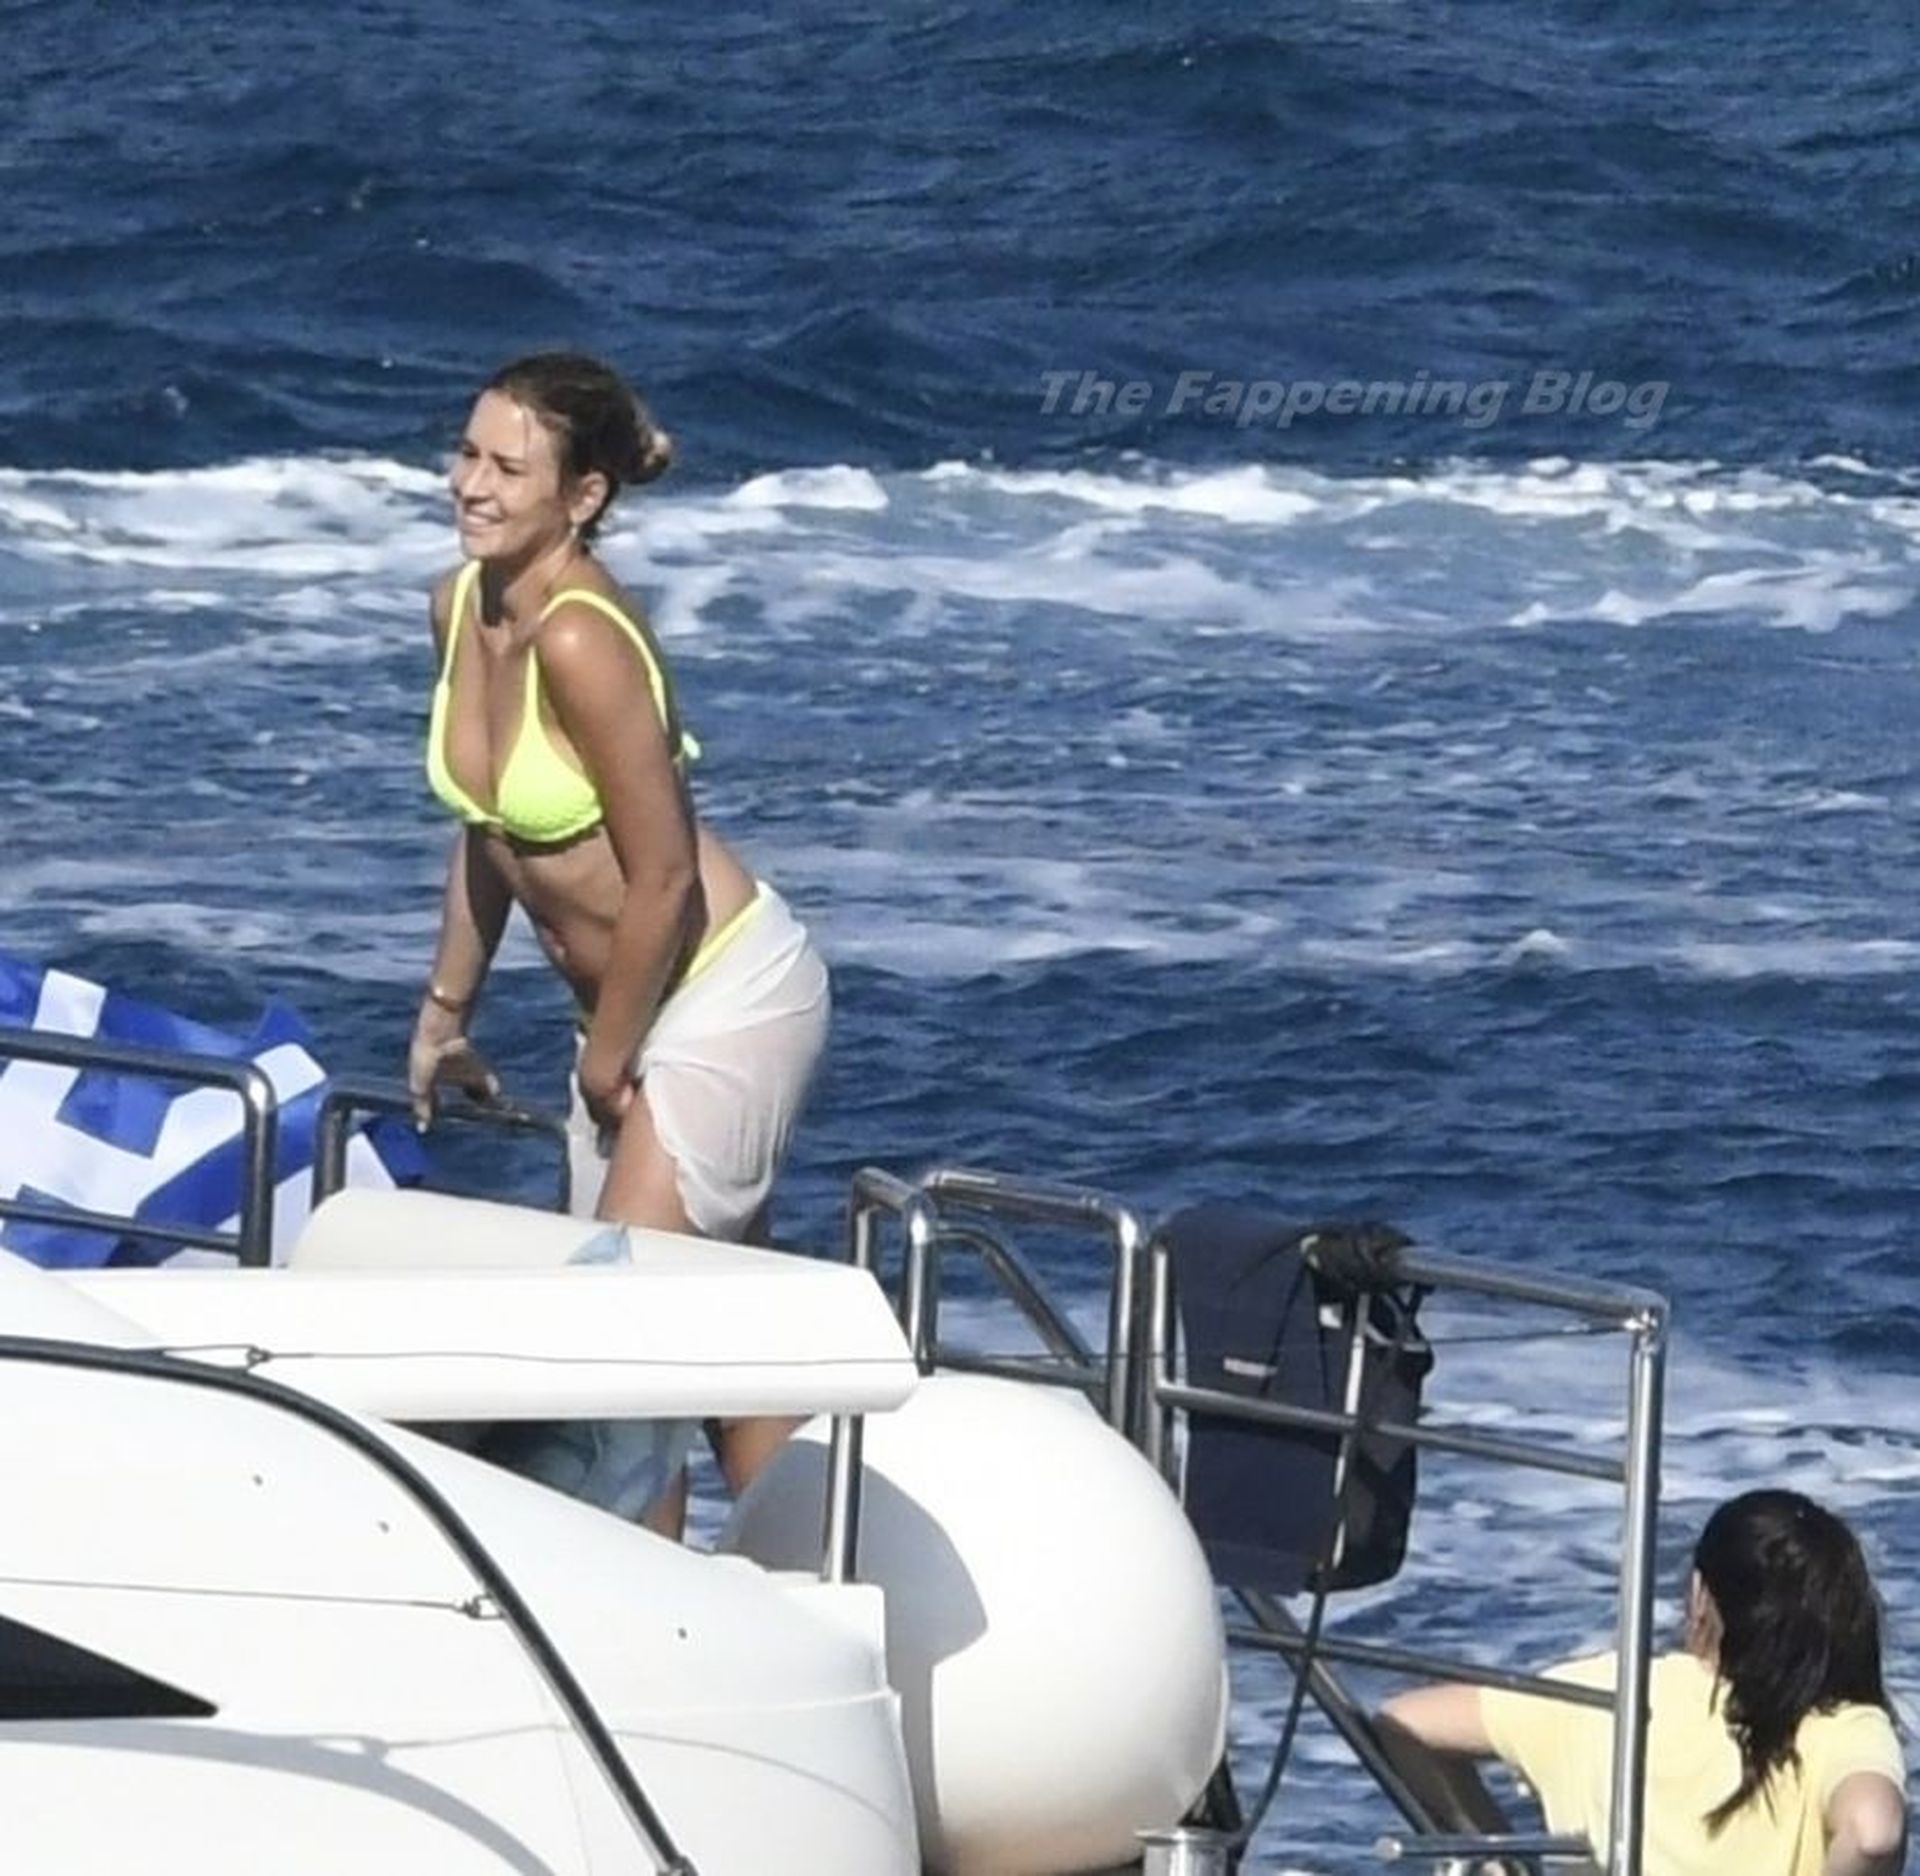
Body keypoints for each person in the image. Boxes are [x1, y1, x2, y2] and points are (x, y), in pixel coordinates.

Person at [408, 350, 830, 1536]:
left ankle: (659, 1605)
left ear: (583, 495)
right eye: (467, 454)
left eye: (508, 467)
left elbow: (663, 877)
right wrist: (447, 1010)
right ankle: (805, 1576)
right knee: (708, 1343)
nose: (471, 484)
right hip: (626, 1013)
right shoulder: (461, 607)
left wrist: (607, 1057)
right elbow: (490, 829)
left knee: (617, 1338)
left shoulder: (582, 639)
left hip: (725, 996)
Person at [1375, 1490, 1907, 1876]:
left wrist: (1501, 1863)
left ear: (1700, 1596)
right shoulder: (1838, 1725)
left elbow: (1405, 1723)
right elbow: (1872, 1832)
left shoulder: (1605, 1692)